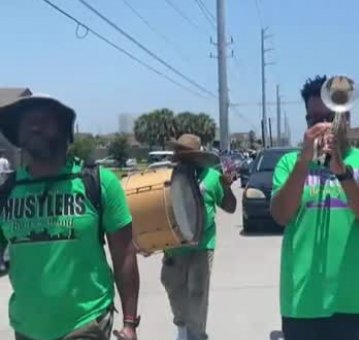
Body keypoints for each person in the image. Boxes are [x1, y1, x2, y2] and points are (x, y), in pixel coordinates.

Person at [0, 93, 140, 340]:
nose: (34, 126)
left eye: (43, 120)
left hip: (86, 322)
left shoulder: (97, 183)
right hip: (26, 328)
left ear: (64, 129)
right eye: (27, 122)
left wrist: (130, 323)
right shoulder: (7, 192)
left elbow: (125, 254)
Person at [270, 75, 359, 340]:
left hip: (354, 301)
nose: (322, 125)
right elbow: (281, 215)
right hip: (301, 302)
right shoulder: (288, 163)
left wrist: (343, 173)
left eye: (329, 116)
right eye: (314, 119)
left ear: (345, 119)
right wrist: (303, 163)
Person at [160, 134, 237, 340]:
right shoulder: (165, 177)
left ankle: (196, 334)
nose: (180, 158)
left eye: (186, 155)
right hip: (174, 246)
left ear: (195, 156)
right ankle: (182, 328)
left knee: (198, 292)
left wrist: (227, 186)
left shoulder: (211, 176)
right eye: (179, 154)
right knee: (173, 287)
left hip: (203, 245)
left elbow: (230, 207)